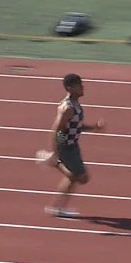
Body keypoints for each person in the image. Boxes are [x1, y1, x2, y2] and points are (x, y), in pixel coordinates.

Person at [40, 73, 105, 218]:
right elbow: (57, 129)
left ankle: (57, 208)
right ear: (70, 88)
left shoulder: (75, 104)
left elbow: (75, 126)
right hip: (67, 147)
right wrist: (56, 151)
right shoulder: (67, 108)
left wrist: (93, 127)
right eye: (79, 85)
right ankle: (53, 161)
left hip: (73, 146)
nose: (83, 88)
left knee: (72, 177)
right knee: (81, 178)